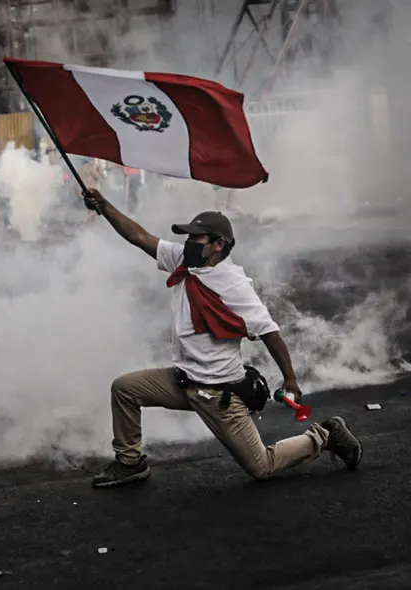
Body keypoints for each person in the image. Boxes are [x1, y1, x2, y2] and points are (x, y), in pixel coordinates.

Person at [80, 188, 363, 489]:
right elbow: (139, 236)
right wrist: (104, 206)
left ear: (218, 244)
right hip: (184, 381)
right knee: (125, 389)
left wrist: (290, 379)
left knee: (261, 466)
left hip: (218, 393)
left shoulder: (233, 284)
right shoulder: (184, 261)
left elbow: (269, 331)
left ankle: (326, 436)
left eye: (195, 238)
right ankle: (130, 462)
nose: (187, 243)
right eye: (187, 237)